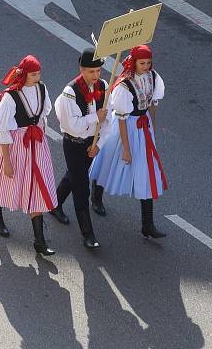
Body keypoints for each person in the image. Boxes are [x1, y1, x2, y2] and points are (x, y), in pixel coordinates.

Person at [0, 55, 58, 256]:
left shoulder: (41, 88)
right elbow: (2, 129)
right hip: (14, 144)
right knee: (4, 181)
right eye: (33, 74)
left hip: (35, 144)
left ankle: (39, 241)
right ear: (24, 74)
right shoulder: (11, 96)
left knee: (37, 186)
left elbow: (43, 114)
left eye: (38, 73)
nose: (37, 77)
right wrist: (6, 160)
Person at [88, 45, 168, 239]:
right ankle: (96, 195)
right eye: (142, 63)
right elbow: (122, 118)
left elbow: (152, 105)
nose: (146, 66)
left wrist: (152, 128)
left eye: (148, 63)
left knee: (146, 172)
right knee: (109, 162)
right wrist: (126, 148)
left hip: (142, 127)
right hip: (124, 127)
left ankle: (147, 224)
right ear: (134, 62)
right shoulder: (124, 86)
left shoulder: (153, 77)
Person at [51, 48, 108, 249]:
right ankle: (88, 235)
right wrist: (95, 117)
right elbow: (72, 126)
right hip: (74, 144)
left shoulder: (103, 86)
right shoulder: (70, 93)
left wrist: (98, 146)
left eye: (98, 71)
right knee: (81, 186)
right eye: (91, 72)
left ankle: (55, 204)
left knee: (75, 175)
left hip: (92, 143)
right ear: (82, 69)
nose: (96, 76)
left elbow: (108, 123)